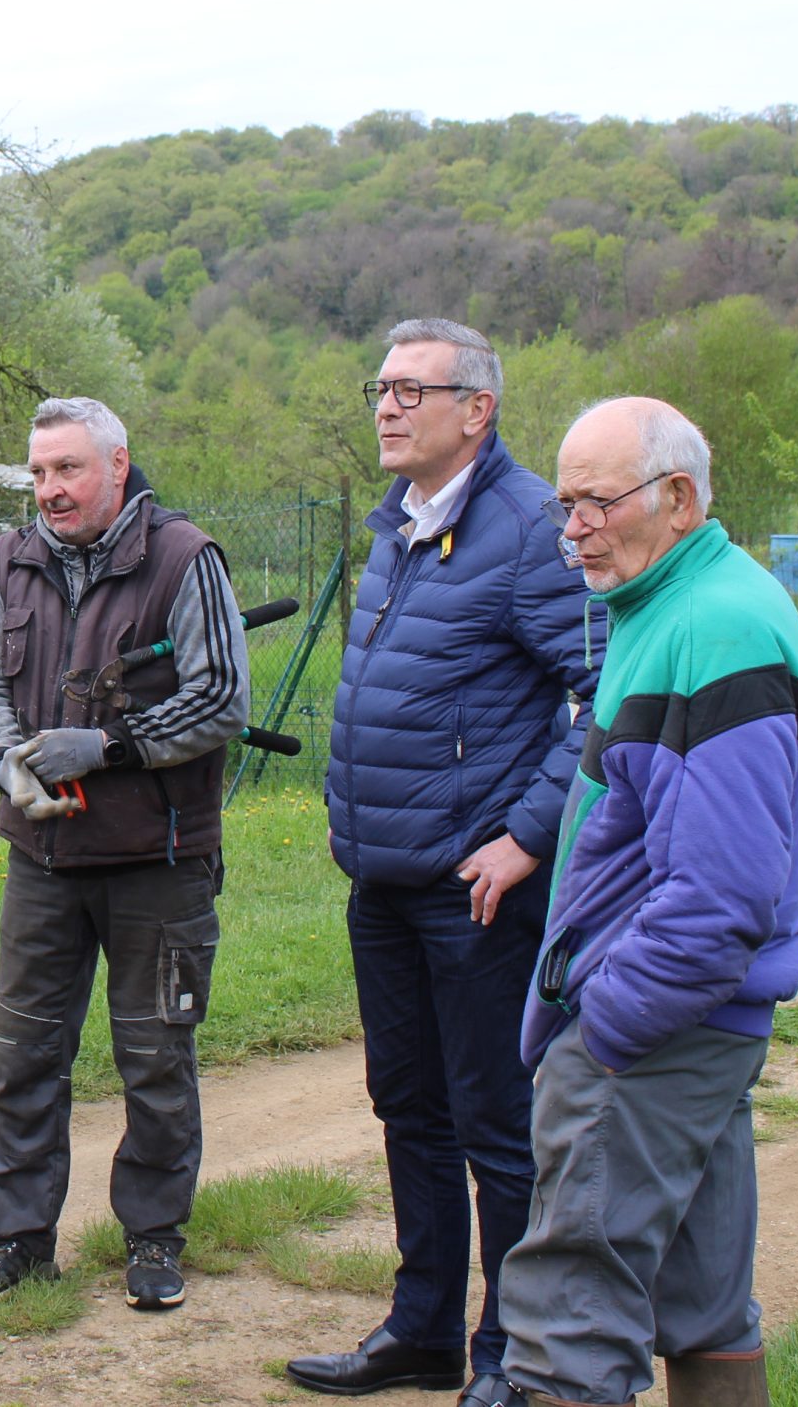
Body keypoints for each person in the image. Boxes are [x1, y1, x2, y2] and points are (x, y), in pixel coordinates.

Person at [288, 322, 603, 1405]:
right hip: (383, 880)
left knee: (495, 1125)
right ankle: (422, 1329)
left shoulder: (526, 529)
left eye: (411, 390)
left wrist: (527, 836)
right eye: (380, 387)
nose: (386, 406)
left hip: (475, 890)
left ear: (477, 408)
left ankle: (511, 1352)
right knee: (408, 1109)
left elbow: (603, 689)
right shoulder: (401, 523)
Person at [497, 398, 798, 1407]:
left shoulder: (716, 625)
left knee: (568, 1323)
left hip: (656, 1033)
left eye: (597, 502)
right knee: (702, 1302)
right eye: (564, 505)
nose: (574, 530)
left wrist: (607, 1028)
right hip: (691, 1026)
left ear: (678, 498)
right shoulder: (672, 607)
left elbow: (721, 893)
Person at [0, 397, 251, 1315]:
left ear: (117, 466)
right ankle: (18, 1239)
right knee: (23, 1056)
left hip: (158, 858)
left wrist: (110, 747)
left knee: (155, 1057)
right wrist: (6, 762)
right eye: (40, 472)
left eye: (68, 469)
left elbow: (222, 698)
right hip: (42, 860)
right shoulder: (12, 559)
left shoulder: (183, 558)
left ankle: (154, 1237)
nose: (50, 489)